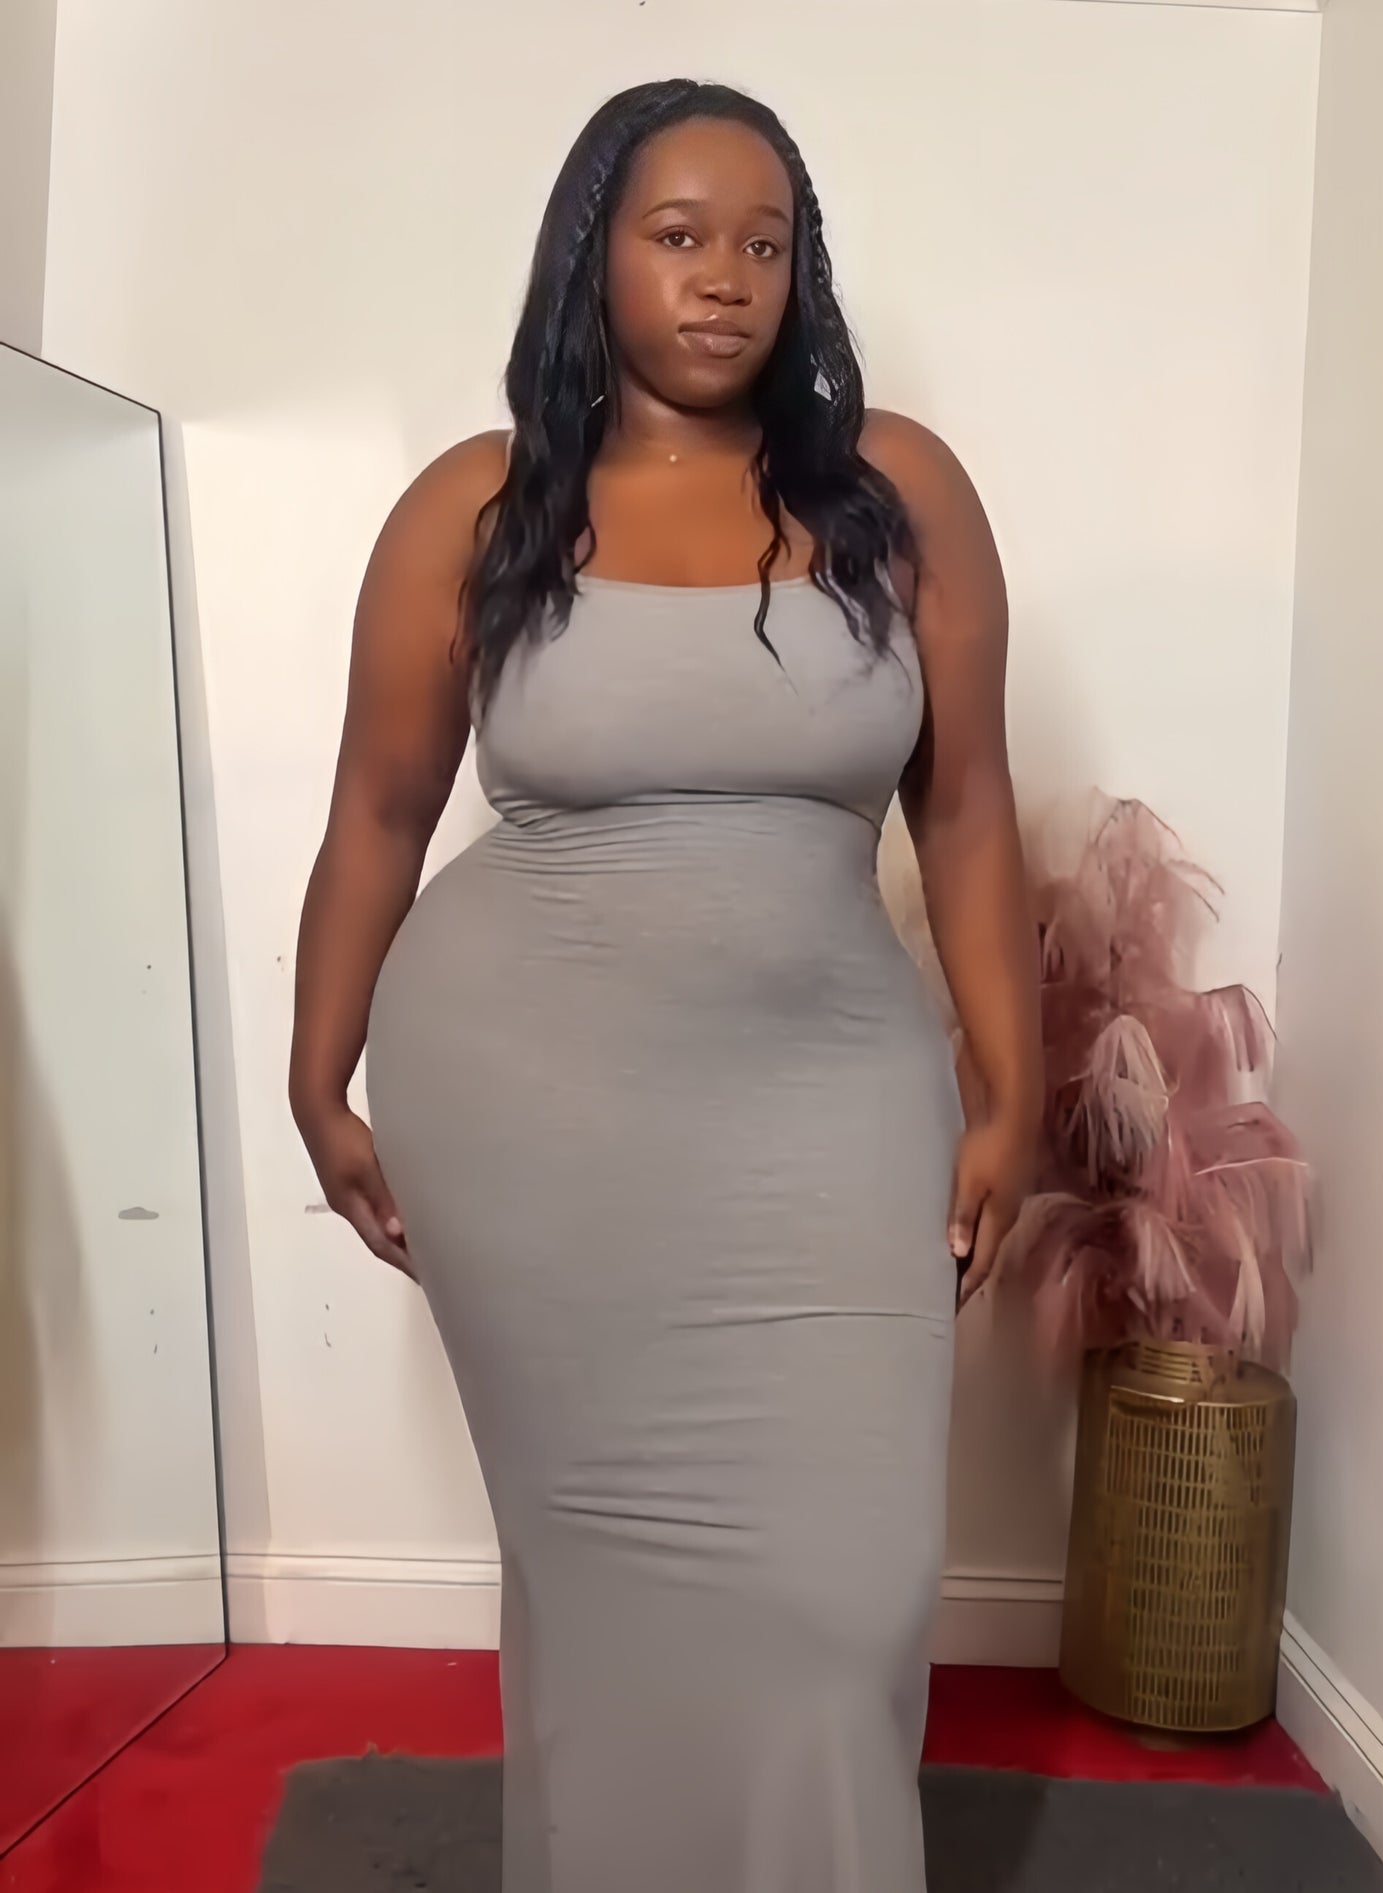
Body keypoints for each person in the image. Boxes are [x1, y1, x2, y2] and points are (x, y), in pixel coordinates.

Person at [290, 77, 1041, 1893]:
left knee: (850, 1592)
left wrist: (1010, 1090)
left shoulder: (899, 494)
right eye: (681, 236)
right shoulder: (476, 508)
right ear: (594, 256)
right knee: (603, 1595)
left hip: (830, 1102)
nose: (726, 279)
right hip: (532, 1113)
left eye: (765, 244)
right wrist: (317, 1080)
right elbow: (378, 812)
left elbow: (967, 810)